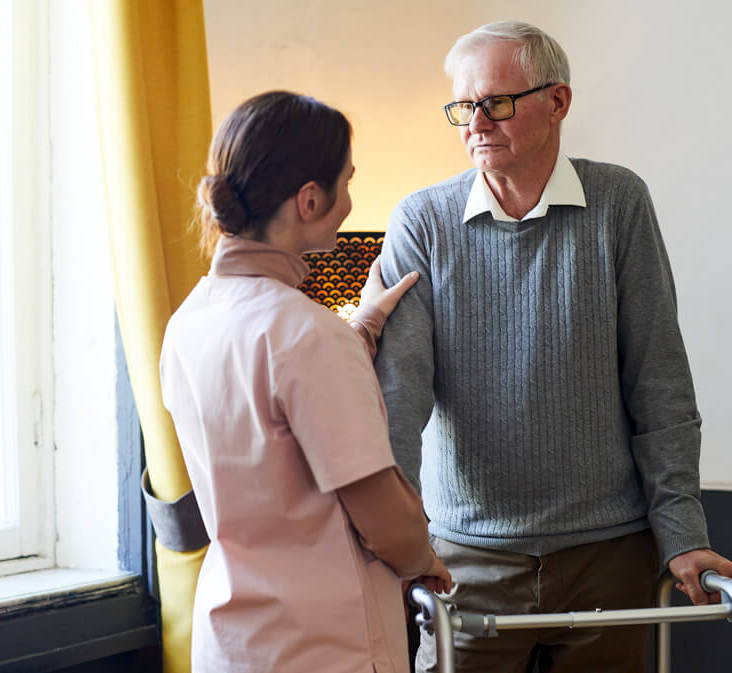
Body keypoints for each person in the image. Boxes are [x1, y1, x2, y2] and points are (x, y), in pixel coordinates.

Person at [374, 20, 732, 673]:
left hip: (610, 555)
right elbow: (398, 401)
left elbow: (659, 382)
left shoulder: (618, 202)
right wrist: (397, 551)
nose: (476, 123)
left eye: (496, 103)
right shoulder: (421, 220)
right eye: (463, 106)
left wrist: (683, 532)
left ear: (558, 102)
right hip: (466, 560)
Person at [159, 90, 451, 673]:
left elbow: (270, 419)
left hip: (233, 643)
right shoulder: (308, 335)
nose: (350, 200)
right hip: (324, 646)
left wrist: (358, 330)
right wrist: (424, 559)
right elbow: (381, 515)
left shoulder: (188, 321)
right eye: (347, 182)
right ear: (311, 199)